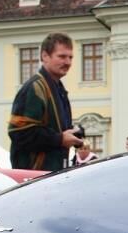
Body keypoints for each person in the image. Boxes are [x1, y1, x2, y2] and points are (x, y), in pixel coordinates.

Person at [8, 33, 84, 171]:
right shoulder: (35, 88)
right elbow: (20, 134)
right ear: (45, 56)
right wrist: (60, 139)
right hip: (35, 177)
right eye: (61, 56)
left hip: (51, 174)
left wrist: (72, 134)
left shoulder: (57, 88)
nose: (67, 62)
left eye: (70, 57)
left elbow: (52, 129)